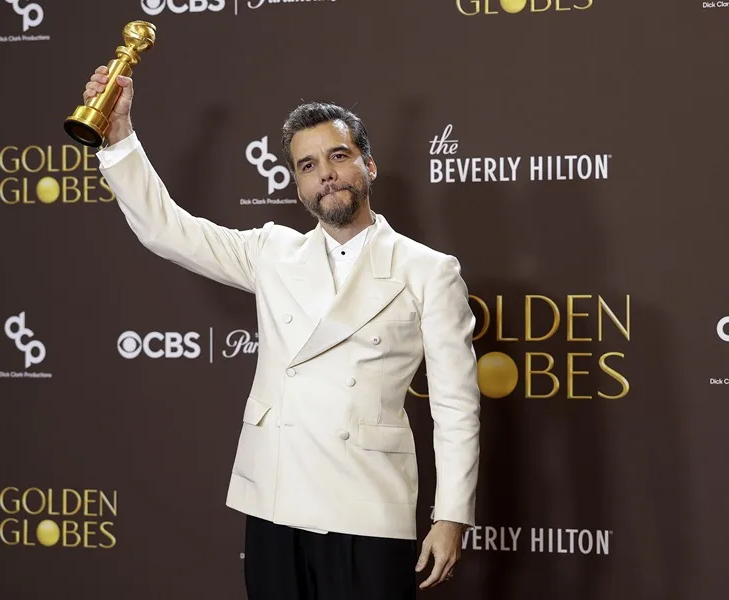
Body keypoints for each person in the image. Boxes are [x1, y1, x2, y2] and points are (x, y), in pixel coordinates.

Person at [83, 65, 481, 599]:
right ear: (297, 184)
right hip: (274, 503)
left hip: (367, 507)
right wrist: (119, 135)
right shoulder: (273, 252)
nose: (327, 175)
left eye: (339, 156)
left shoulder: (428, 269)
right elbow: (164, 227)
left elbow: (456, 405)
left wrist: (451, 514)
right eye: (308, 165)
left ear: (369, 164)